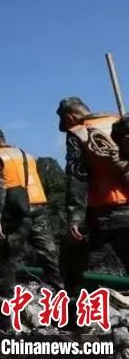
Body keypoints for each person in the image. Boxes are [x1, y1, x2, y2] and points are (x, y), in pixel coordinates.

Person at [58, 98, 129, 305]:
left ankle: (80, 319)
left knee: (76, 264)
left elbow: (77, 178)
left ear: (70, 116)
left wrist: (75, 219)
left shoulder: (80, 132)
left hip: (106, 214)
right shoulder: (119, 121)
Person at [0, 128, 63, 308]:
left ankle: (6, 314)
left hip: (16, 213)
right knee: (49, 257)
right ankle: (68, 308)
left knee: (8, 262)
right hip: (39, 208)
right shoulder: (25, 154)